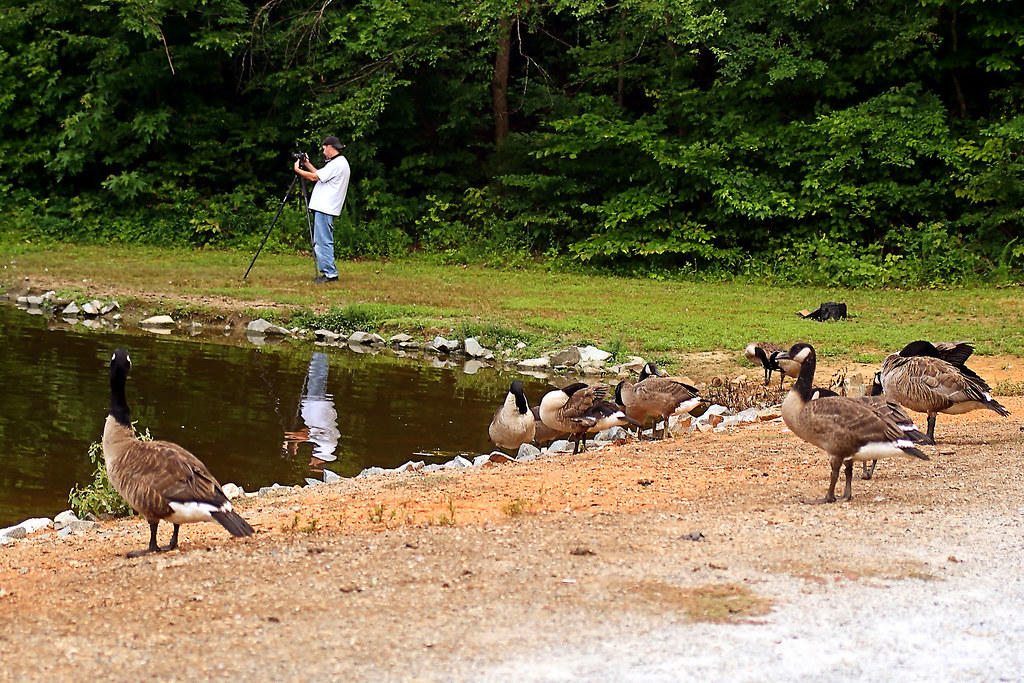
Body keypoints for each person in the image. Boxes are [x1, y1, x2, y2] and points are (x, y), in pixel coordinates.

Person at [293, 136, 351, 284]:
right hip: (326, 208)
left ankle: (330, 274)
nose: (323, 151)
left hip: (325, 208)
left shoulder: (337, 164)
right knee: (322, 240)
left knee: (323, 241)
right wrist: (306, 164)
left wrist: (297, 170)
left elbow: (314, 178)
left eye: (324, 148)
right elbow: (320, 174)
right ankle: (328, 272)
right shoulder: (338, 163)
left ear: (329, 147)